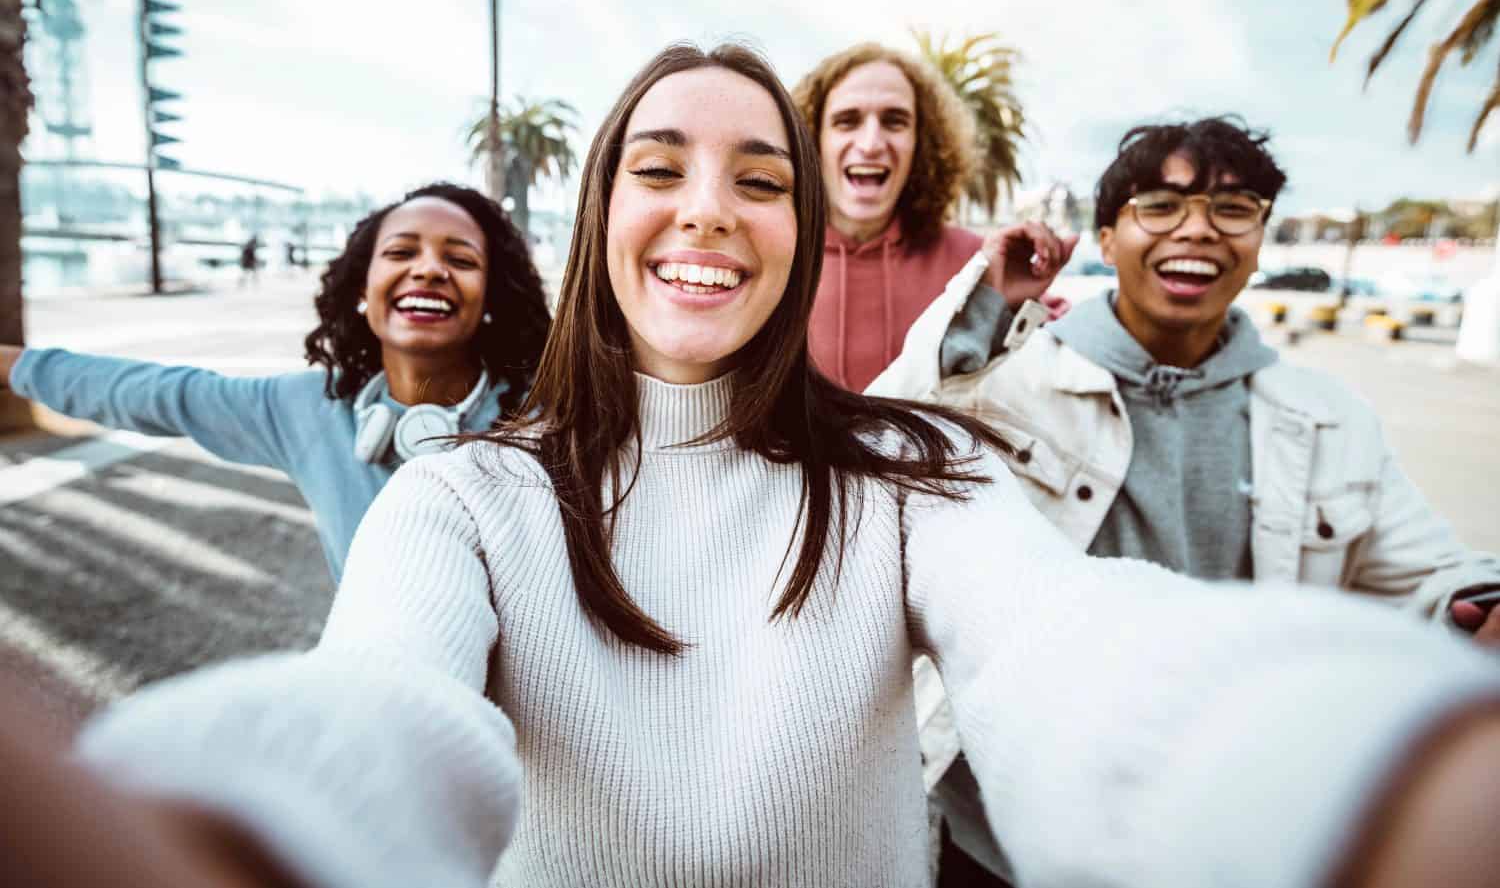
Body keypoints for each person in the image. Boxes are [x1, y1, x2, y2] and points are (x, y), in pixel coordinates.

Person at [61, 47, 1500, 888]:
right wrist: (228, 824)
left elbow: (1069, 649)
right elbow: (385, 698)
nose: (710, 211)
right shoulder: (465, 494)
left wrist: (1379, 774)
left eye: (761, 179)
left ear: (803, 234)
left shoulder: (913, 472)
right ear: (597, 214)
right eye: (659, 166)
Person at [869, 116, 1500, 883]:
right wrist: (984, 306)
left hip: (1218, 829)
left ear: (1262, 237)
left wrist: (1476, 601)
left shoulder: (1329, 416)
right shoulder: (1010, 379)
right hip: (993, 836)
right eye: (1160, 206)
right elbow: (879, 450)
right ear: (1107, 237)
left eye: (1234, 208)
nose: (1198, 229)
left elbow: (1432, 574)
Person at [0, 182, 551, 579]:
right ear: (363, 288)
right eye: (401, 252)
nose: (429, 269)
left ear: (491, 299)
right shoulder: (307, 409)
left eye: (460, 259)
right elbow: (153, 394)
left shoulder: (551, 410)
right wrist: (13, 365)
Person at [791, 43, 1074, 393]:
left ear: (922, 143)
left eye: (895, 121)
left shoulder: (978, 263)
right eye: (846, 121)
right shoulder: (777, 255)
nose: (870, 143)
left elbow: (1061, 351)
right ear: (812, 139)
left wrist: (1026, 308)